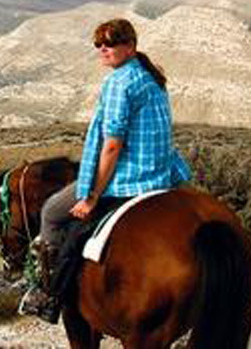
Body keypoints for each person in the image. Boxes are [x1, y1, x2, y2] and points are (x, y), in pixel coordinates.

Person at [20, 18, 191, 323]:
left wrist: (92, 196)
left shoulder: (118, 82)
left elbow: (112, 146)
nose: (102, 50)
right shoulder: (150, 75)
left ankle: (48, 293)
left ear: (130, 45)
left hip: (131, 177)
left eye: (110, 43)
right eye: (98, 44)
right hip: (162, 172)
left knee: (52, 212)